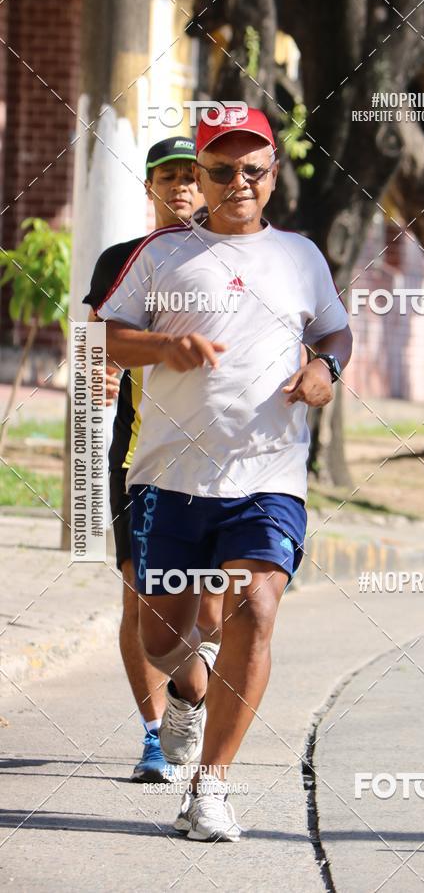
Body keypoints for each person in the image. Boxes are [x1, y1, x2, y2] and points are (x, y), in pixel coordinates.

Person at [94, 106, 352, 841]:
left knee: (257, 608)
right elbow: (103, 335)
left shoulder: (302, 255)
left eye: (252, 169)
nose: (237, 182)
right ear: (200, 177)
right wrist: (157, 348)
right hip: (168, 480)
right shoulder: (162, 256)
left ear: (272, 176)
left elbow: (334, 325)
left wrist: (325, 366)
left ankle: (210, 788)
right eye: (220, 169)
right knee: (161, 640)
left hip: (267, 475)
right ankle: (184, 689)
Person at [84, 136, 223, 782]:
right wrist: (102, 370)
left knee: (213, 608)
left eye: (191, 176)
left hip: (225, 457)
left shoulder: (236, 254)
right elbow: (96, 337)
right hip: (144, 454)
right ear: (149, 188)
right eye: (166, 177)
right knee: (143, 596)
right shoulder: (124, 259)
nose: (180, 188)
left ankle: (188, 701)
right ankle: (151, 733)